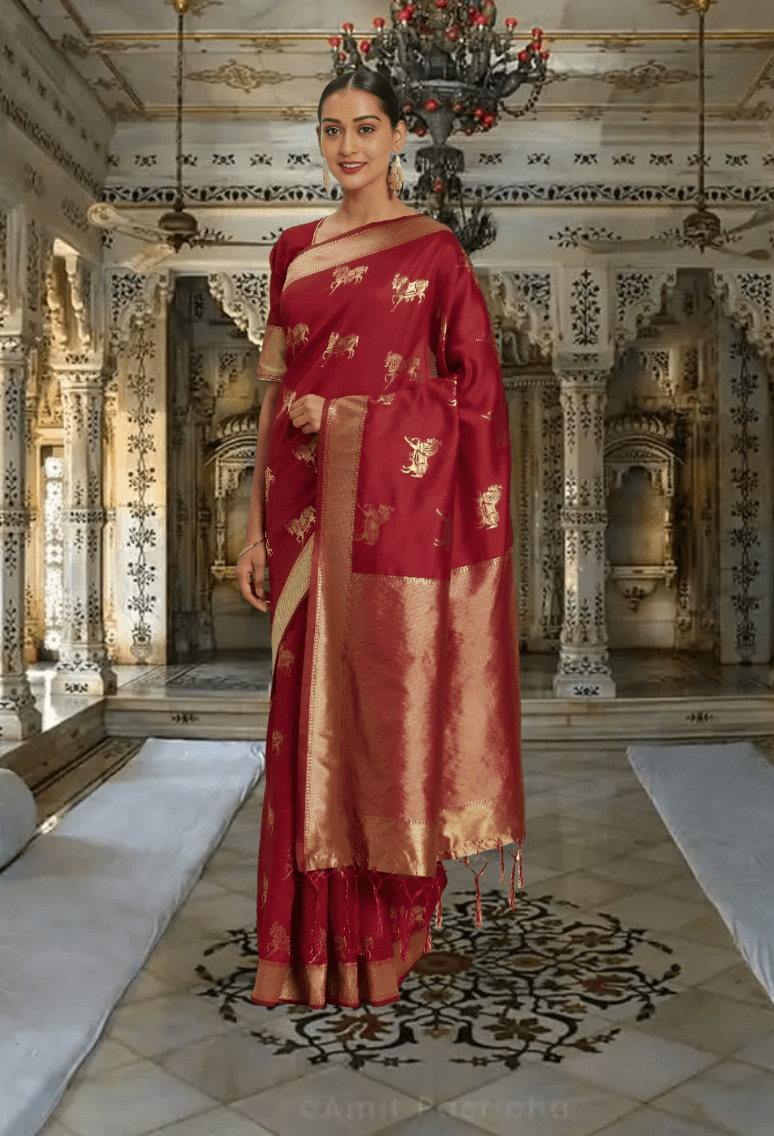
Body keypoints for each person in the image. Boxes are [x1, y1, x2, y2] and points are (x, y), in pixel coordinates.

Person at [235, 67, 525, 1009]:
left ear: (402, 137)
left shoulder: (436, 254)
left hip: (390, 532)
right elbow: (274, 394)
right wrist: (250, 529)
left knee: (383, 716)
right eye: (331, 129)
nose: (348, 146)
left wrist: (356, 415)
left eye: (367, 128)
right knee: (300, 731)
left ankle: (382, 942)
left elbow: (474, 399)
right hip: (301, 517)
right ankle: (305, 950)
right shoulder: (291, 253)